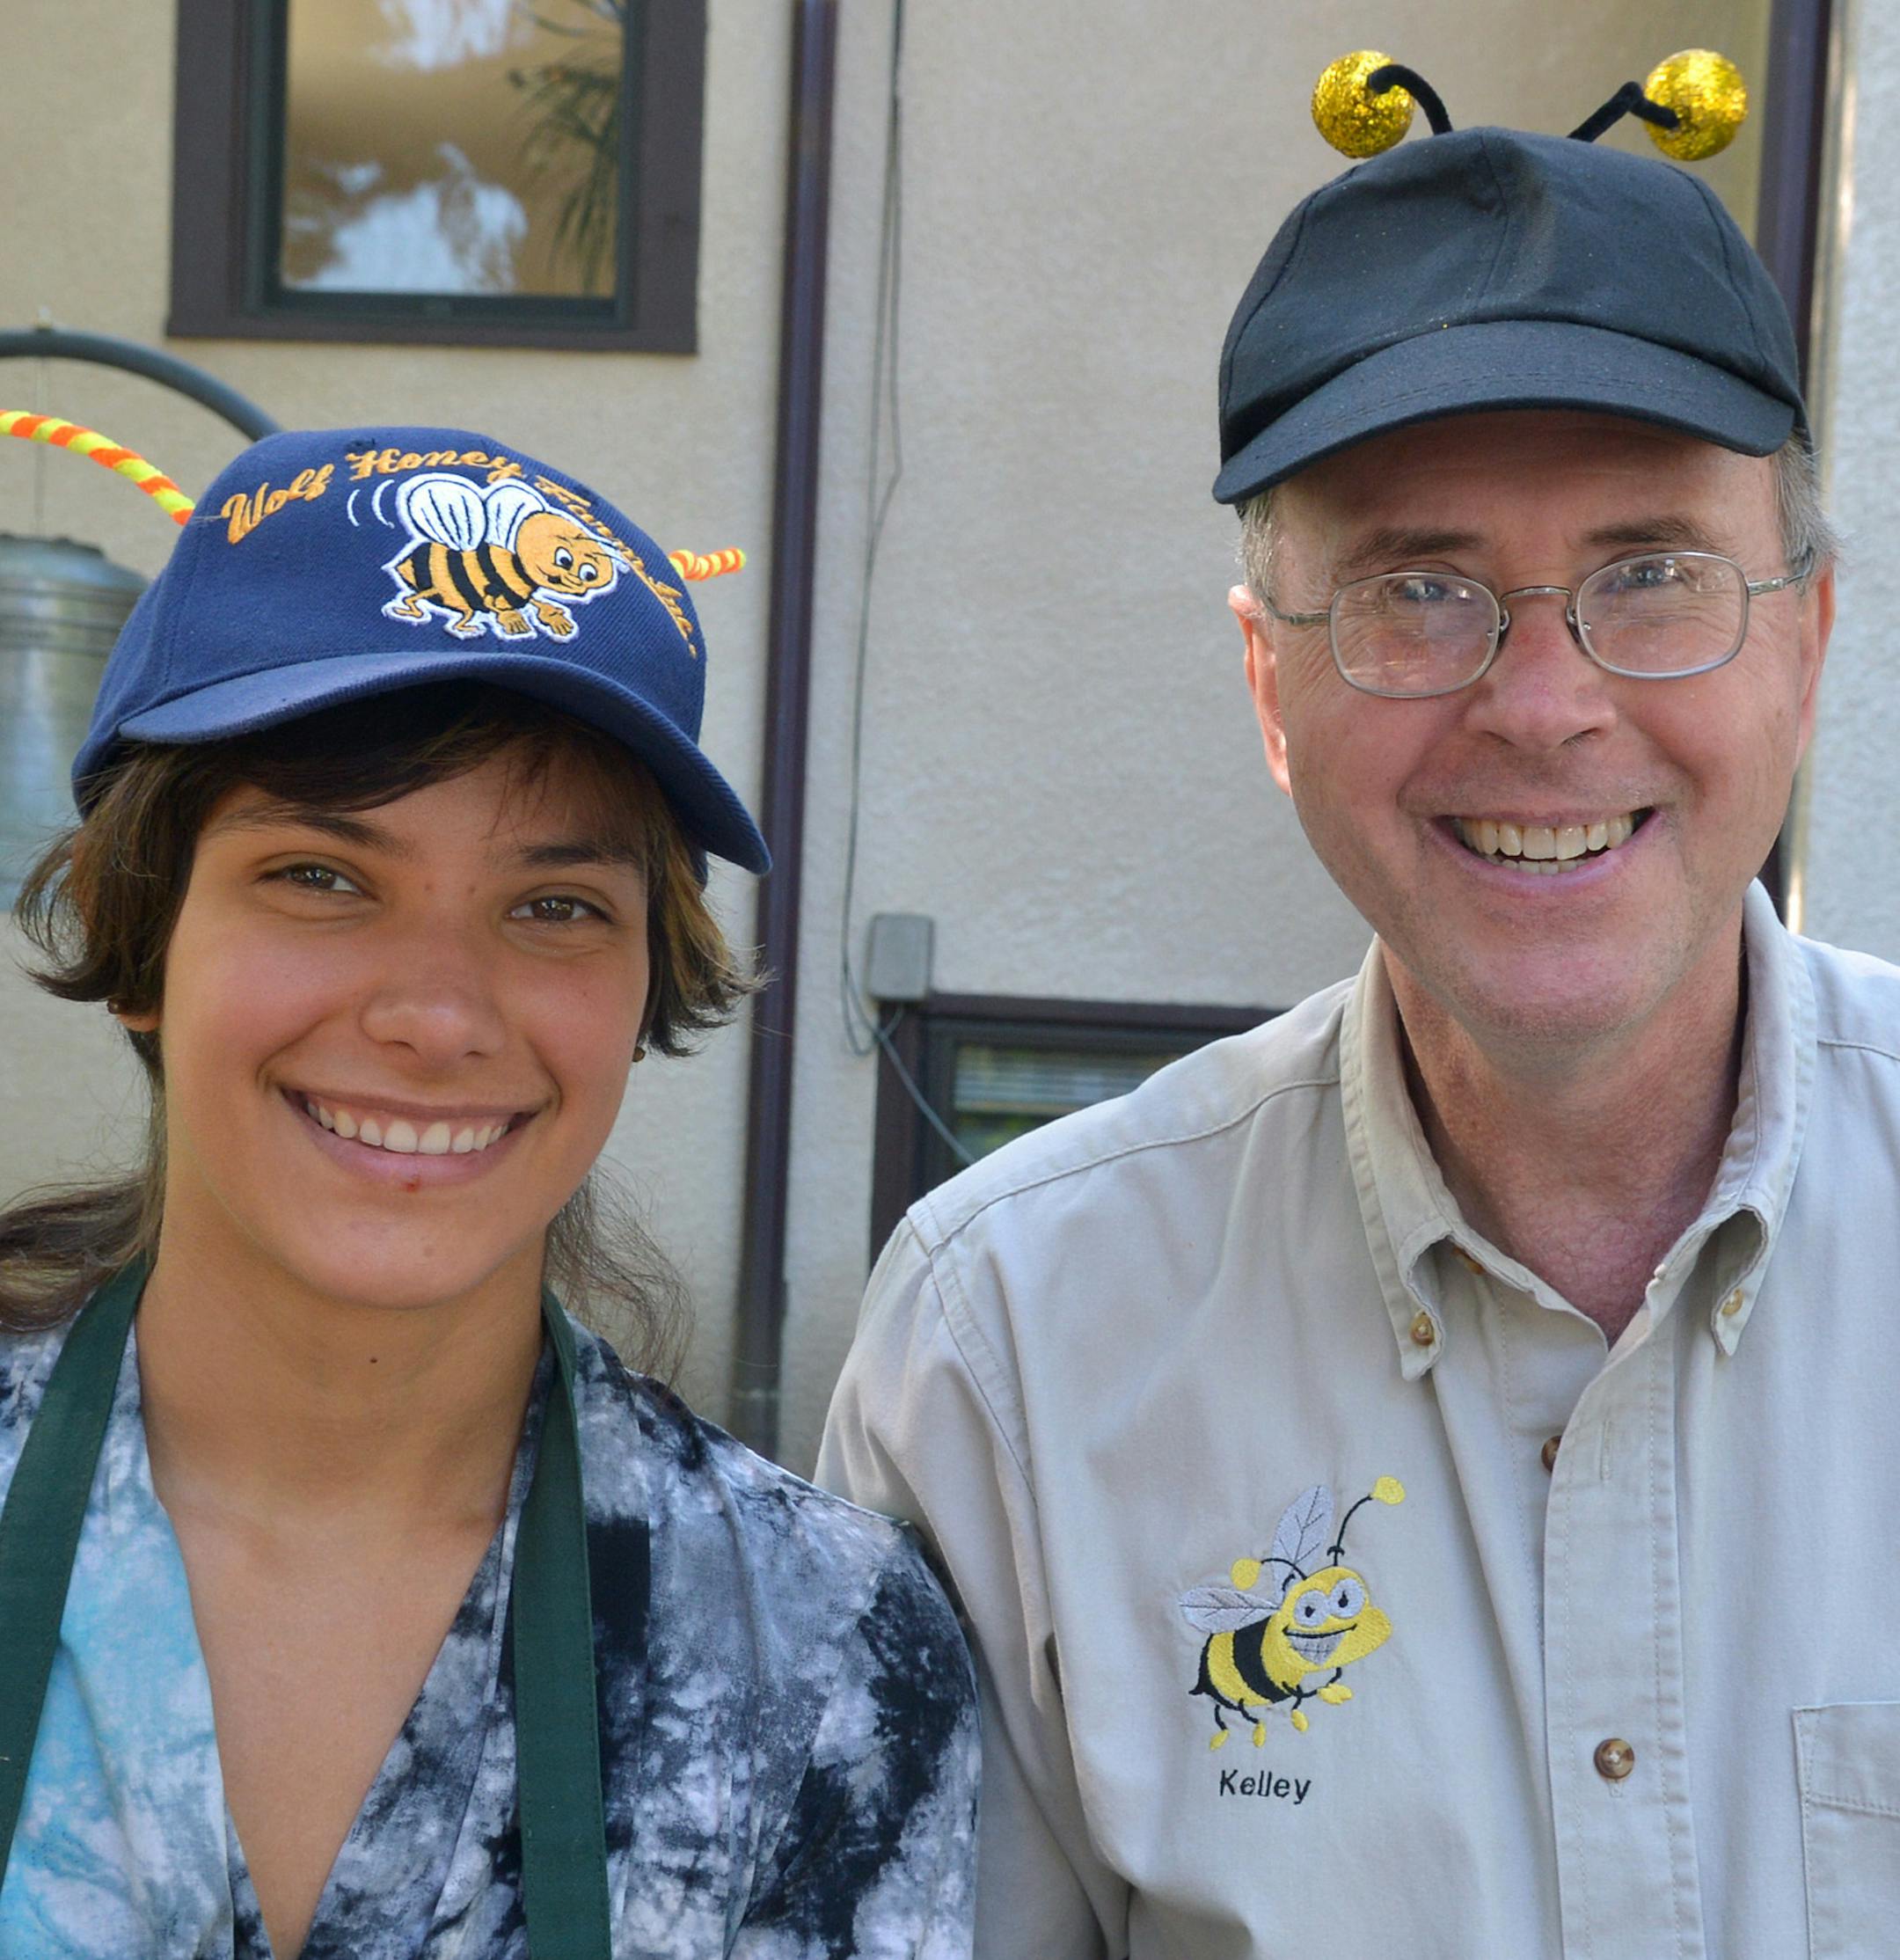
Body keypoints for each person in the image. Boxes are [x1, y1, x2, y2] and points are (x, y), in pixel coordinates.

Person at [817, 68, 1893, 1960]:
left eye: (1649, 576)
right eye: (1421, 590)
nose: (1544, 703)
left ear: (1805, 643)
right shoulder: (1010, 1350)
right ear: (1268, 685)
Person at [0, 426, 977, 1959]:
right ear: (143, 940)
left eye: (554, 906)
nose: (439, 1014)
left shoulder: (819, 1649)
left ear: (648, 990)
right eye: (323, 875)